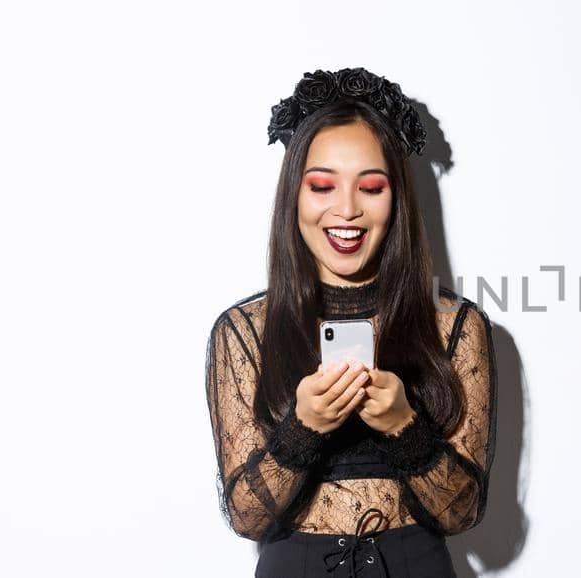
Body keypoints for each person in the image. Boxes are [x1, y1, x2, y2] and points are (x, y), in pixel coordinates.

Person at [204, 67, 495, 577]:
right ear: (294, 196)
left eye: (371, 187)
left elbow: (463, 511)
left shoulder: (455, 325)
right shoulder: (243, 331)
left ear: (397, 199)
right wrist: (303, 429)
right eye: (322, 186)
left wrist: (405, 427)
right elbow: (246, 516)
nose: (346, 210)